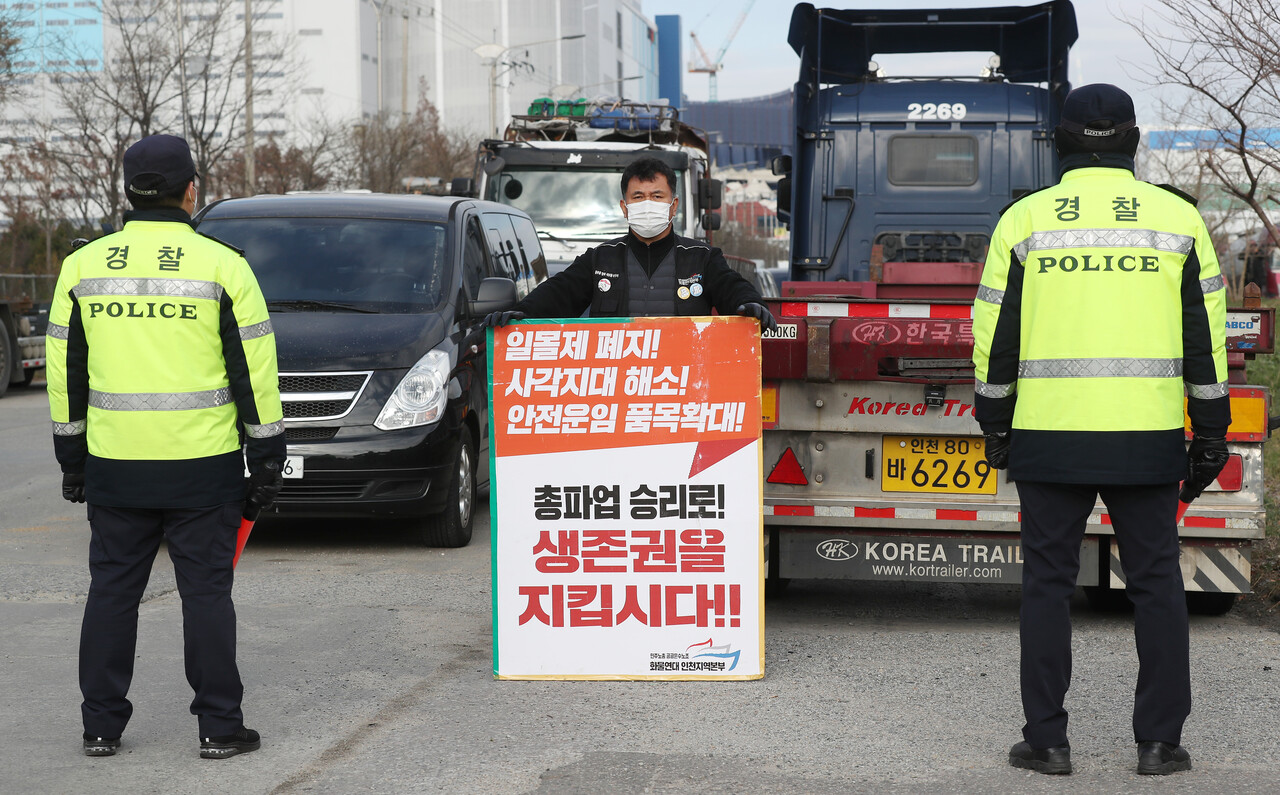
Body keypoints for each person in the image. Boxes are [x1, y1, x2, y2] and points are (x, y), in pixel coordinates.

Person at [972, 84, 1230, 777]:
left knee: (1047, 587)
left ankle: (1048, 742)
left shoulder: (1023, 220)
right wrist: (1210, 432)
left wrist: (995, 420)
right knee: (1156, 584)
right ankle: (1158, 743)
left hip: (1049, 437)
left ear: (1059, 141)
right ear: (1134, 140)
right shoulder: (1177, 220)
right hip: (1145, 438)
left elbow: (994, 334)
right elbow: (1205, 338)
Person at [46, 134, 286, 759]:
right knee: (206, 594)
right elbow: (254, 376)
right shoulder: (224, 266)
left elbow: (63, 372)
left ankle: (100, 728)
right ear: (191, 191)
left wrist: (72, 460)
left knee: (111, 592)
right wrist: (266, 461)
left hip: (116, 465)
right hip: (202, 469)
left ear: (127, 192)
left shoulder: (83, 266)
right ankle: (219, 729)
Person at [483, 156, 777, 332]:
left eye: (657, 196)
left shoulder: (701, 258)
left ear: (673, 206)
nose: (648, 204)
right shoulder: (600, 260)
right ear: (624, 207)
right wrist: (523, 312)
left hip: (684, 386)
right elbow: (560, 292)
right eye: (638, 197)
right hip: (618, 393)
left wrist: (750, 304)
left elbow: (731, 287)